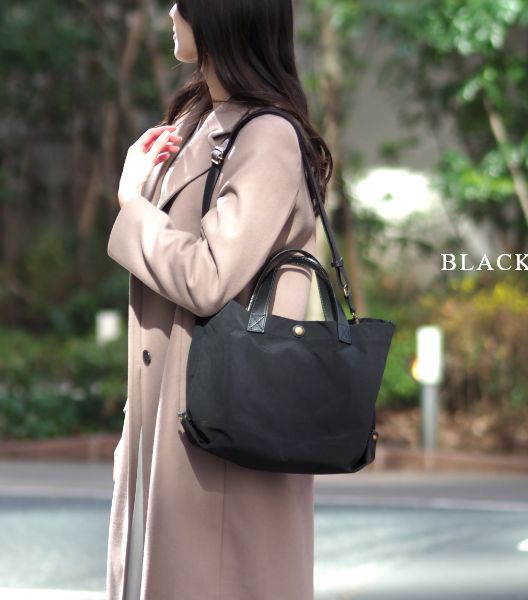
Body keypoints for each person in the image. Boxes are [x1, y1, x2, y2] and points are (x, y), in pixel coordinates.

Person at [105, 1, 333, 599]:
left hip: (223, 437)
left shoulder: (268, 136)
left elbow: (210, 276)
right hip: (174, 429)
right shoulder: (197, 120)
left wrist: (132, 205)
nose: (170, 12)